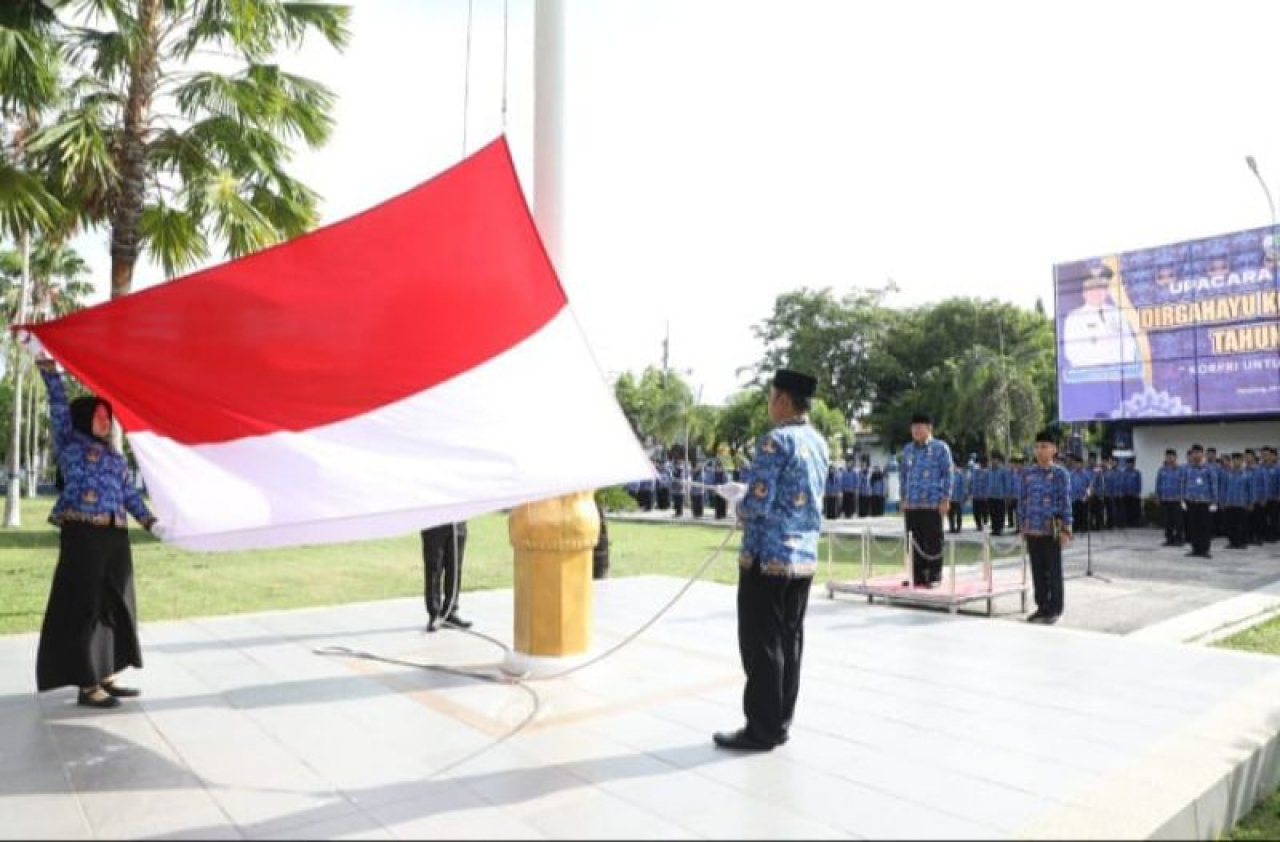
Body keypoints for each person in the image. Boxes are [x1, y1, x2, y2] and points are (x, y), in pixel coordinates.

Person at [32, 356, 165, 709]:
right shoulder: (69, 443)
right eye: (99, 416)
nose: (106, 421)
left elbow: (129, 496)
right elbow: (58, 405)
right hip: (83, 536)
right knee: (84, 605)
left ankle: (105, 673)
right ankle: (87, 683)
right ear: (83, 418)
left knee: (115, 604)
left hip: (115, 538)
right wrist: (49, 369)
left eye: (108, 416)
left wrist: (151, 522)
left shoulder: (115, 458)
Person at [712, 368, 828, 752]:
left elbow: (758, 505)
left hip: (767, 558)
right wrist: (750, 491)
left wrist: (739, 501)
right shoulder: (818, 442)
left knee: (761, 644)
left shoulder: (774, 441)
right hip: (802, 558)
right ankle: (779, 722)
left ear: (783, 400)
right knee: (790, 642)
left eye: (771, 396)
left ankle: (761, 728)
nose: (769, 404)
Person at [1019, 431, 1073, 624]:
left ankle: (1055, 609)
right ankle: (1042, 607)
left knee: (1053, 571)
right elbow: (1022, 500)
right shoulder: (1028, 474)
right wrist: (1021, 526)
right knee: (1038, 571)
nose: (1040, 451)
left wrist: (1066, 529)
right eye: (1037, 447)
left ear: (1054, 449)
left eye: (1044, 446)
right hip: (1032, 529)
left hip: (1052, 530)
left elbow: (1065, 502)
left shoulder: (1060, 474)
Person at [898, 414, 952, 587]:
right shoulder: (907, 450)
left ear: (929, 428)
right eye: (913, 427)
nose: (916, 430)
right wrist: (903, 498)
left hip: (933, 503)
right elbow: (903, 475)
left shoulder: (940, 448)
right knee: (913, 540)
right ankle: (917, 575)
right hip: (912, 503)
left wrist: (945, 498)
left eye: (920, 427)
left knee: (933, 540)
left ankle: (934, 576)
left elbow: (948, 474)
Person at [421, 522, 470, 631]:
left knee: (455, 569)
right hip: (434, 525)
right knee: (434, 569)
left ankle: (450, 611)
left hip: (457, 525)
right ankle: (434, 614)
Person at [1182, 444, 1217, 559]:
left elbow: (1213, 484)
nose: (1196, 455)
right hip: (1191, 501)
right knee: (1193, 527)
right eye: (1194, 453)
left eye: (1198, 453)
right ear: (1191, 454)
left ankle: (1205, 550)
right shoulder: (1187, 469)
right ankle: (1195, 549)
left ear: (1202, 454)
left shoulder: (1208, 468)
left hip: (1204, 502)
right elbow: (1183, 483)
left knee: (1204, 527)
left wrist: (1214, 501)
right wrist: (1183, 498)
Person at [1222, 454, 1252, 551]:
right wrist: (1223, 501)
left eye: (1238, 460)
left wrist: (1250, 502)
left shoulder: (1247, 474)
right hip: (1230, 503)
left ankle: (1242, 542)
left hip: (1242, 503)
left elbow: (1251, 490)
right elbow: (1224, 488)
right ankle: (1232, 542)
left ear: (1242, 461)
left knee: (1242, 524)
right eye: (1234, 460)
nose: (1236, 462)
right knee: (1230, 524)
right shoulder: (1228, 474)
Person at [1155, 449, 1185, 547]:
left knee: (1178, 521)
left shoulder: (1180, 470)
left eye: (1171, 456)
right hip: (1165, 499)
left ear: (1176, 457)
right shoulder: (1162, 470)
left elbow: (1184, 484)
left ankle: (1179, 539)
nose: (1169, 458)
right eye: (1167, 456)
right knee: (1167, 521)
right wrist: (1158, 496)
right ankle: (1169, 539)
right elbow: (1158, 484)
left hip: (1177, 499)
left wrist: (1183, 497)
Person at [987, 452, 1008, 537]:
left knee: (1000, 513)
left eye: (995, 459)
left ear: (998, 460)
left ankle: (1000, 529)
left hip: (1000, 496)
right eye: (992, 459)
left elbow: (1006, 483)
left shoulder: (1003, 470)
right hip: (991, 495)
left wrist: (1006, 495)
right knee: (992, 513)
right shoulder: (989, 470)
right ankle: (994, 529)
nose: (993, 461)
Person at [948, 458, 967, 534]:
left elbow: (963, 487)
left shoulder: (960, 475)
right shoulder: (948, 475)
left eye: (952, 465)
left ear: (955, 465)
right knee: (950, 514)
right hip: (950, 498)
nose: (951, 466)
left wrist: (962, 497)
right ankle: (952, 527)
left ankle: (958, 528)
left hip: (958, 498)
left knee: (959, 514)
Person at [971, 457, 990, 532]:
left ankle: (985, 524)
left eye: (979, 464)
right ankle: (978, 525)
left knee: (984, 511)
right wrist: (970, 492)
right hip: (975, 495)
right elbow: (972, 483)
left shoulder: (987, 473)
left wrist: (987, 494)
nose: (978, 465)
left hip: (984, 496)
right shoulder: (974, 472)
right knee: (976, 512)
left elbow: (988, 484)